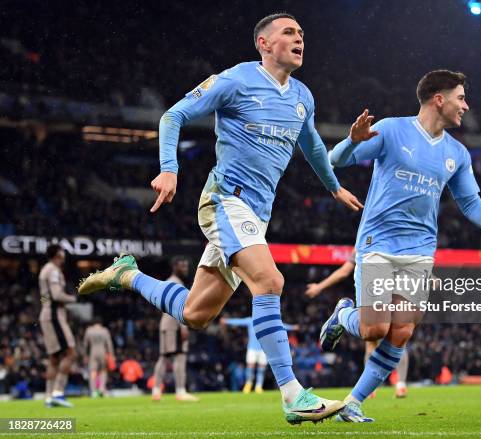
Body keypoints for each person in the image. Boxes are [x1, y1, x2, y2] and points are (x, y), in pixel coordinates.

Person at [78, 13, 362, 424]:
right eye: (289, 32)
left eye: (301, 33)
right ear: (264, 44)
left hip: (255, 215)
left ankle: (127, 276)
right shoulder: (235, 80)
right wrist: (169, 168)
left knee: (196, 314)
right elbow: (171, 116)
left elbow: (313, 145)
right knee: (270, 280)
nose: (299, 38)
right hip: (226, 200)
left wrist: (334, 187)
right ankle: (292, 395)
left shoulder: (302, 96)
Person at [319, 70, 481, 422]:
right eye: (460, 98)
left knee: (400, 332)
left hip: (419, 249)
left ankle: (353, 402)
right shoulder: (392, 129)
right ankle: (342, 315)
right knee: (374, 329)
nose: (466, 105)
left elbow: (470, 204)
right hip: (379, 241)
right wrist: (352, 141)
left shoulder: (457, 153)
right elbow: (336, 160)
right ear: (439, 98)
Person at [305, 249, 409, 398]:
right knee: (390, 338)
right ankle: (396, 385)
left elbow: (344, 271)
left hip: (385, 291)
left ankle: (385, 387)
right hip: (383, 292)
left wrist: (319, 287)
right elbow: (344, 271)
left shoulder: (372, 240)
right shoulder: (376, 241)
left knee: (386, 339)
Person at [152, 257, 198, 402]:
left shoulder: (166, 281)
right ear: (174, 267)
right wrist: (183, 326)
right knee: (180, 356)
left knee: (164, 357)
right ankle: (180, 391)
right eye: (182, 266)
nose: (185, 269)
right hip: (175, 325)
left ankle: (156, 390)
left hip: (165, 323)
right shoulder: (177, 283)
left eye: (186, 266)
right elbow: (178, 307)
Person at [39, 244, 77, 408]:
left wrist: (45, 307)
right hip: (54, 316)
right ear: (57, 254)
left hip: (48, 314)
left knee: (54, 358)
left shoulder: (45, 270)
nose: (64, 254)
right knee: (70, 353)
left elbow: (44, 297)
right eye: (62, 251)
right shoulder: (53, 270)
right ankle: (58, 393)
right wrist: (73, 299)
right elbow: (56, 295)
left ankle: (49, 397)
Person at [220, 316, 298, 394]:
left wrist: (292, 327)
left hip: (263, 349)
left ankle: (258, 386)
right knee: (250, 367)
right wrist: (227, 321)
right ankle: (248, 384)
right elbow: (239, 321)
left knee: (261, 369)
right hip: (252, 349)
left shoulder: (267, 322)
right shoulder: (251, 321)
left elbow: (280, 326)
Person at [83, 317, 114, 397]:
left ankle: (93, 391)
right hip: (103, 351)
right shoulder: (104, 330)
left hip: (93, 351)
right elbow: (109, 343)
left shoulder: (89, 330)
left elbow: (85, 344)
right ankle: (101, 389)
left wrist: (85, 355)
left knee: (93, 371)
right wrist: (111, 354)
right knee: (103, 371)